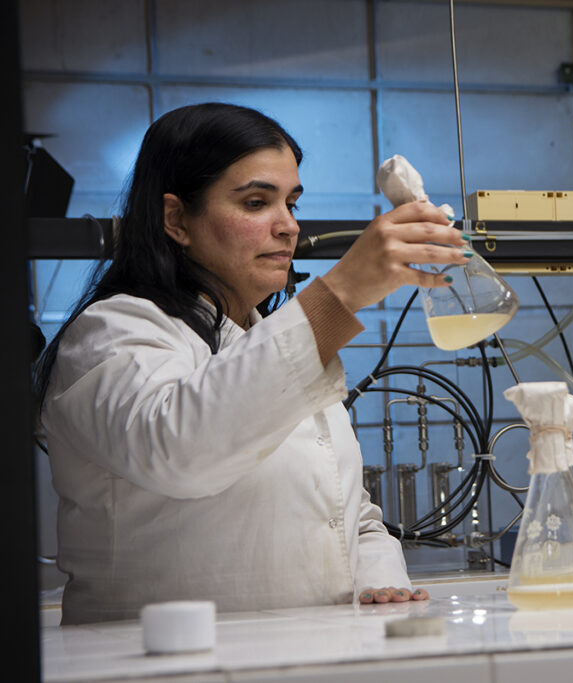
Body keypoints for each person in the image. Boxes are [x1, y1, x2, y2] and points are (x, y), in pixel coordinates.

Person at [35, 102, 470, 624]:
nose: (288, 226)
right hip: (163, 657)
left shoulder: (270, 340)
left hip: (314, 649)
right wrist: (340, 294)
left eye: (292, 203)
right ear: (176, 219)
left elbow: (350, 516)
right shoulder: (111, 333)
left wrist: (380, 580)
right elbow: (182, 449)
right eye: (257, 202)